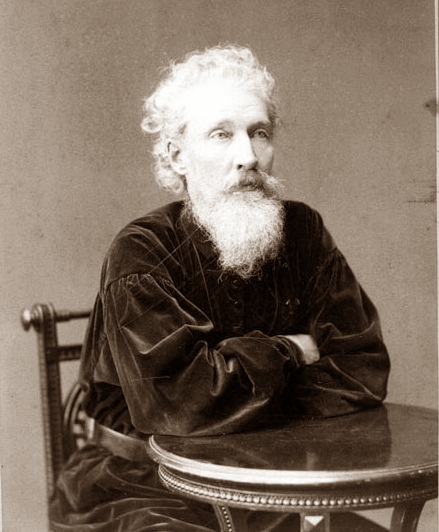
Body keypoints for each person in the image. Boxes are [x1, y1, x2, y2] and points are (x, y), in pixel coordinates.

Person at [50, 44, 390, 531]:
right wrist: (291, 351)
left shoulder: (303, 232)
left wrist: (231, 394)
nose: (248, 157)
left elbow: (363, 370)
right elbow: (180, 403)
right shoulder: (141, 250)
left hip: (267, 485)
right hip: (144, 488)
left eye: (259, 133)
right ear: (178, 156)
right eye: (221, 135)